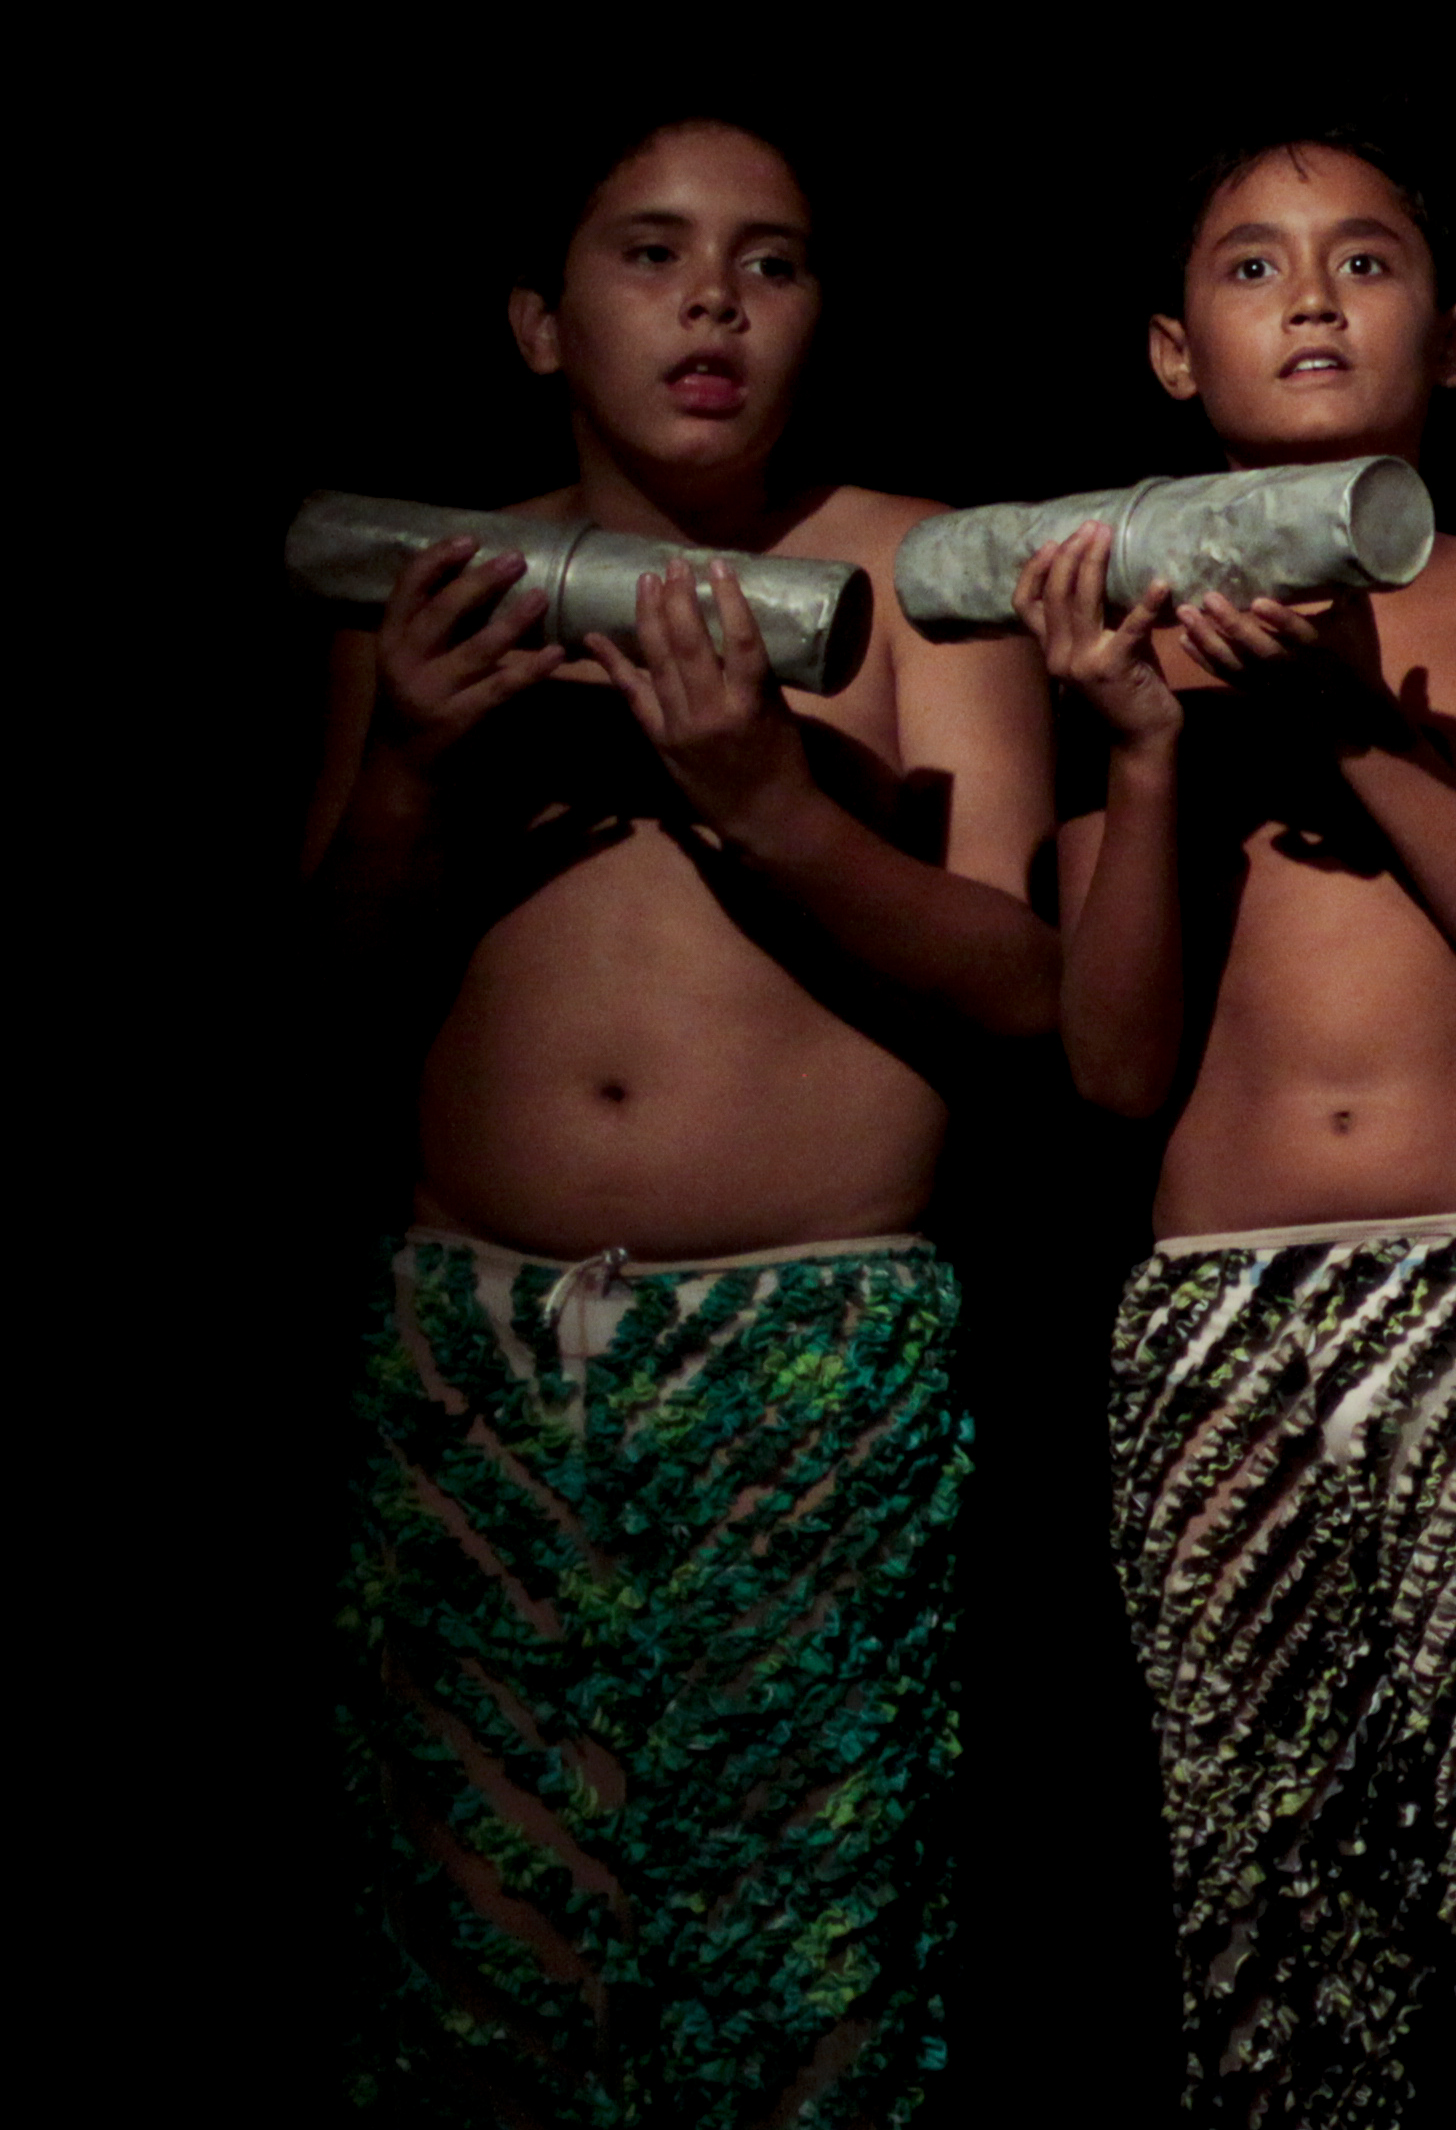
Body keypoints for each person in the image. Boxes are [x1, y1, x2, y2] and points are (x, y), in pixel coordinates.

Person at [309, 111, 1057, 2125]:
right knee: (490, 1984)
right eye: (651, 254)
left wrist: (778, 810)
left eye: (771, 261)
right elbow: (320, 1001)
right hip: (479, 1359)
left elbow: (1029, 989)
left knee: (803, 1989)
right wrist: (407, 775)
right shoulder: (426, 586)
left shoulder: (919, 572)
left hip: (810, 1362)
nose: (714, 300)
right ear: (542, 322)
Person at [1014, 135, 1456, 2128]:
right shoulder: (1106, 624)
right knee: (1281, 1950)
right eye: (1251, 267)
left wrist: (1355, 728)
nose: (1311, 298)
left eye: (1366, 261)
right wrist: (1144, 757)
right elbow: (1113, 1074)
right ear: (1175, 351)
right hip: (1222, 1334)